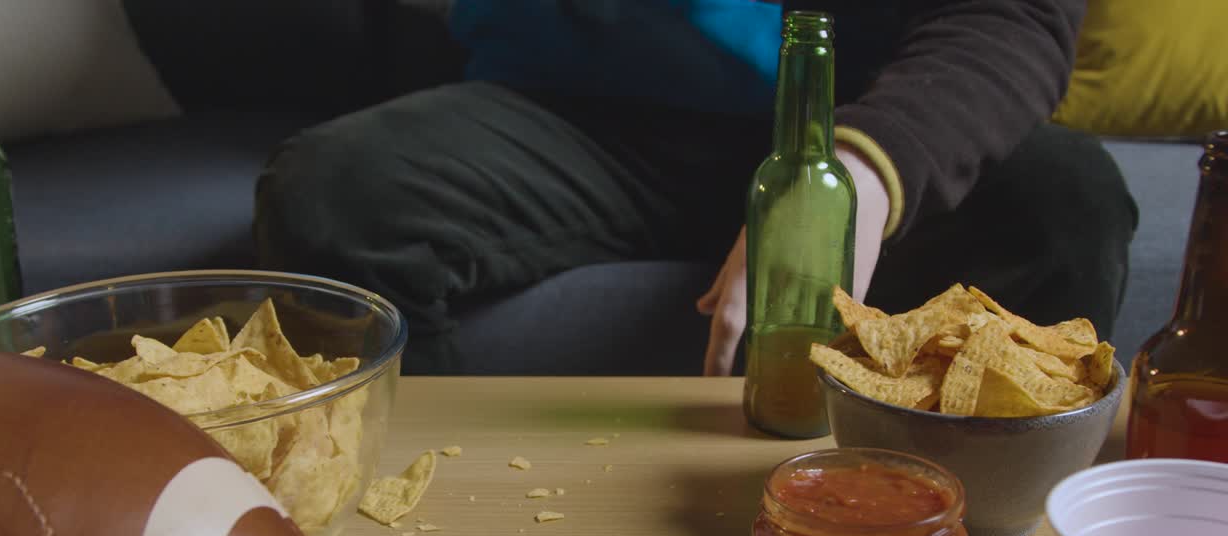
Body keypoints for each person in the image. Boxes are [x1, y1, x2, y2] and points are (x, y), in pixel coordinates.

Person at [255, 0, 1136, 375]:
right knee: (332, 196)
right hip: (575, 113)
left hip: (858, 106)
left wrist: (855, 176)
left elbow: (1013, 15)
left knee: (1065, 210)